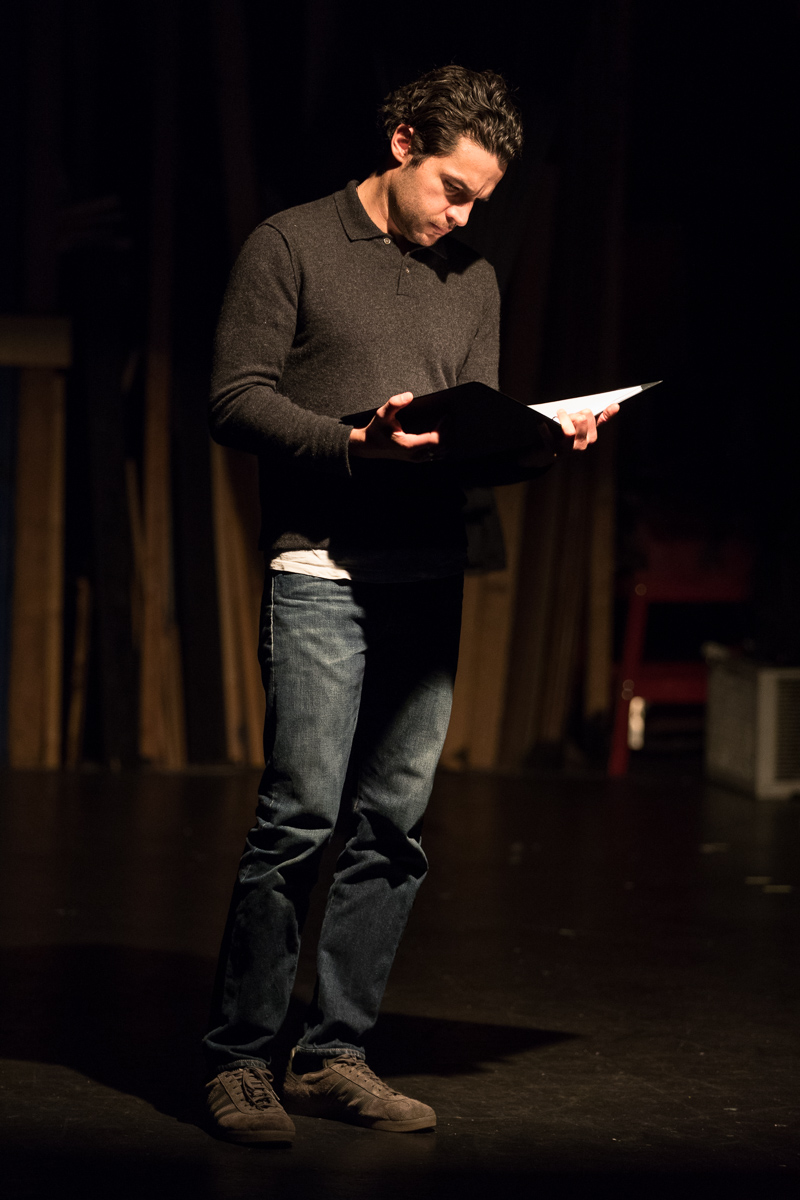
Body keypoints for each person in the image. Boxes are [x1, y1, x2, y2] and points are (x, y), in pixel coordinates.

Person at [203, 65, 617, 1145]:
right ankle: (239, 1060)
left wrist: (544, 441)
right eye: (452, 189)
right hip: (322, 573)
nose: (463, 216)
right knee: (299, 818)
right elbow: (235, 399)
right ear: (402, 145)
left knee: (393, 826)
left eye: (480, 200)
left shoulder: (470, 280)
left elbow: (468, 444)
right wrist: (355, 442)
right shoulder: (290, 244)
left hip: (427, 577)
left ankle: (334, 1054)